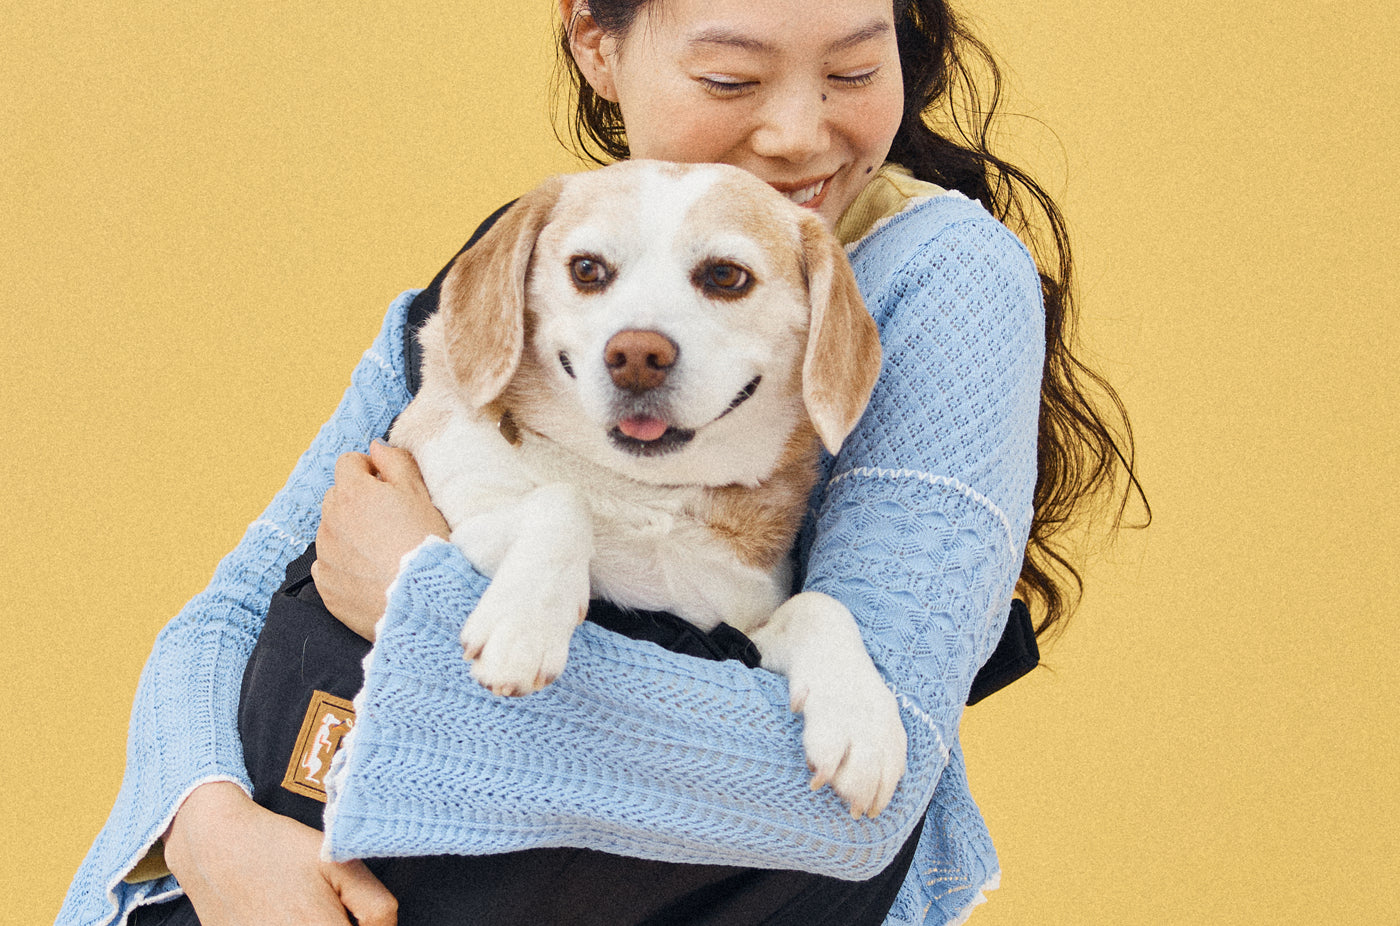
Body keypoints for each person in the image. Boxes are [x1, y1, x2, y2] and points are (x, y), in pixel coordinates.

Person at [59, 0, 1143, 924]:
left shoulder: (939, 275)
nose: (801, 132)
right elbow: (233, 608)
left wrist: (422, 600)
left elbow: (842, 793)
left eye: (856, 67)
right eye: (733, 75)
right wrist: (205, 826)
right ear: (595, 43)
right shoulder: (533, 254)